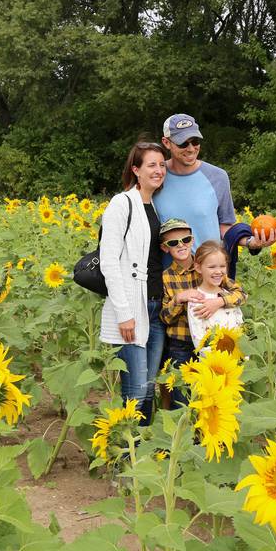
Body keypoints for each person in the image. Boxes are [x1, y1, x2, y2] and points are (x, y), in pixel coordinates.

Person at [99, 142, 167, 425]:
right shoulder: (122, 203)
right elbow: (109, 262)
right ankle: (126, 460)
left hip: (155, 309)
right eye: (151, 165)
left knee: (150, 389)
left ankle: (144, 460)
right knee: (135, 391)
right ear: (135, 170)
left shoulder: (156, 206)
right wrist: (124, 315)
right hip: (131, 311)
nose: (159, 170)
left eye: (162, 165)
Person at [154, 114, 276, 257]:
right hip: (168, 275)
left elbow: (225, 226)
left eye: (195, 141)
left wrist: (252, 242)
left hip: (209, 272)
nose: (191, 149)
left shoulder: (217, 177)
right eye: (183, 143)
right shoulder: (155, 176)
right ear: (166, 142)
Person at [159, 225, 246, 408]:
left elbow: (241, 294)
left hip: (213, 347)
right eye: (174, 243)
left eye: (186, 239)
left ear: (192, 239)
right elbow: (165, 318)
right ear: (165, 248)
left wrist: (219, 301)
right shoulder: (166, 277)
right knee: (182, 397)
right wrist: (178, 299)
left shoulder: (210, 267)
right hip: (182, 344)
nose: (181, 245)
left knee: (211, 396)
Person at [186, 241, 246, 349]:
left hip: (237, 359)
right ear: (198, 268)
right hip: (214, 362)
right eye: (212, 267)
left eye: (222, 266)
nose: (218, 271)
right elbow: (199, 340)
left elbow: (240, 325)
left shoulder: (229, 295)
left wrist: (243, 356)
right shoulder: (196, 300)